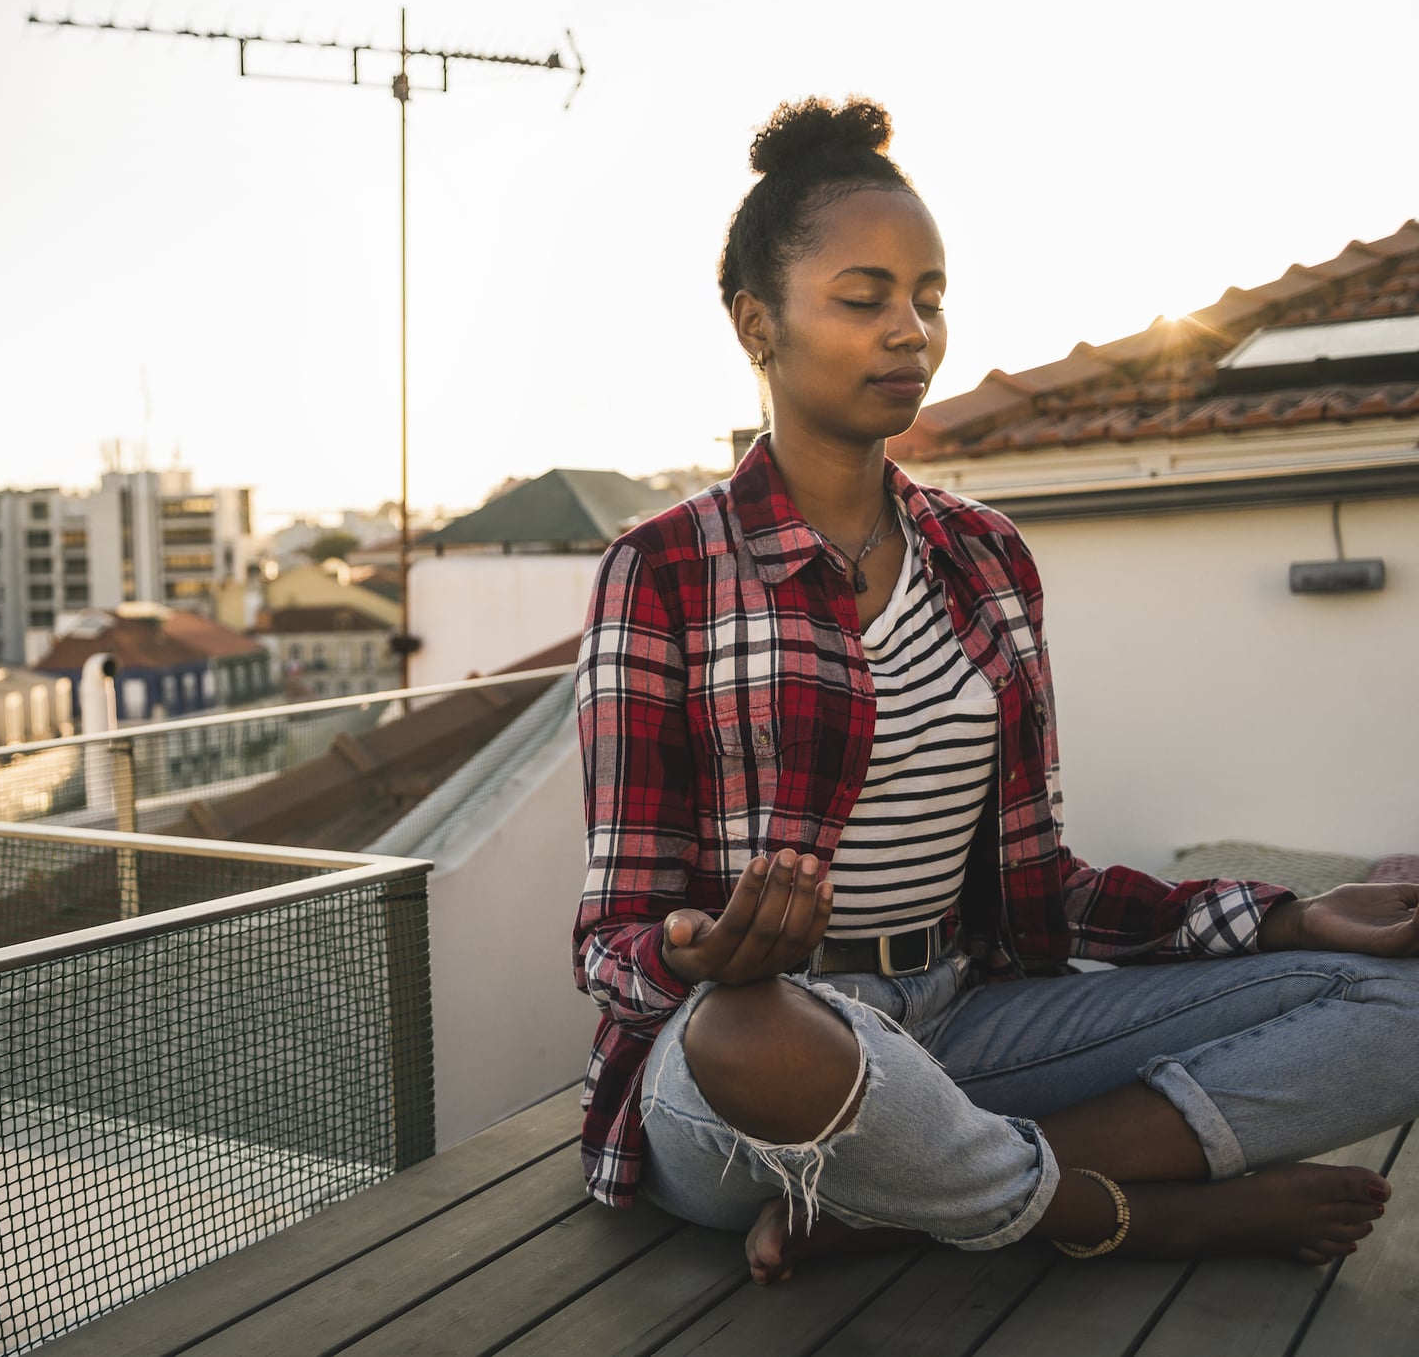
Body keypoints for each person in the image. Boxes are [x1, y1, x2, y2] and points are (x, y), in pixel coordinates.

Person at [572, 95, 1419, 1286]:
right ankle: (1131, 1214)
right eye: (863, 299)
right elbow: (609, 940)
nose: (909, 331)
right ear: (755, 322)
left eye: (929, 297)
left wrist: (1287, 918)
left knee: (1397, 997)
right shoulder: (659, 567)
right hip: (745, 1069)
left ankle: (904, 1204)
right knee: (759, 1030)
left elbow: (1043, 887)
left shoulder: (986, 557)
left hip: (960, 1022)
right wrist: (702, 957)